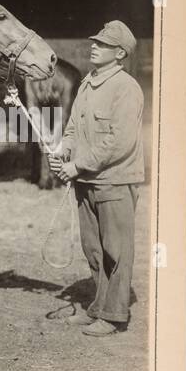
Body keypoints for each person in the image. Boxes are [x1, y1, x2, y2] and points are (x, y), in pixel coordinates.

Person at [46, 21, 145, 336]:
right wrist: (64, 149)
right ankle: (99, 308)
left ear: (119, 53)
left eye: (102, 44)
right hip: (88, 180)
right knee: (94, 249)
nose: (93, 46)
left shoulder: (126, 88)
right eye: (95, 42)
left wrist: (78, 166)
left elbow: (119, 142)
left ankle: (114, 316)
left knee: (116, 249)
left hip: (114, 181)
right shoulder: (89, 82)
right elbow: (74, 126)